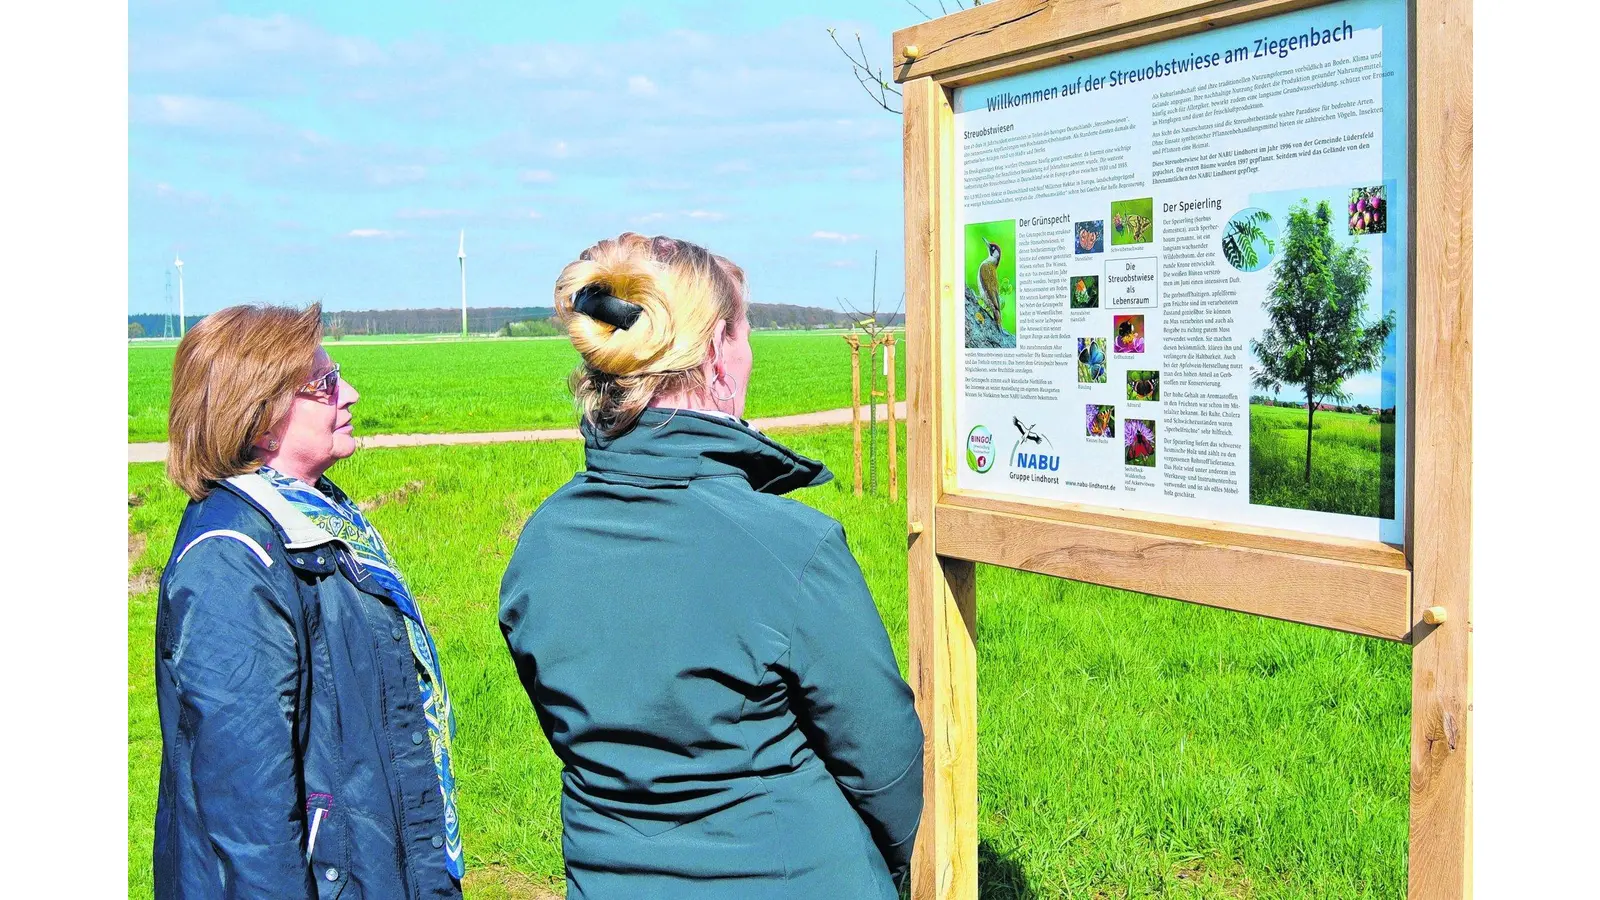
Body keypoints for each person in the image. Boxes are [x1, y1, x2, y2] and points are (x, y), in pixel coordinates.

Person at [499, 233, 925, 899]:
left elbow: (577, 730)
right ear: (717, 354)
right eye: (746, 331)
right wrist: (884, 867)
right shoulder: (789, 548)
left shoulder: (542, 542)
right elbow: (885, 756)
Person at [153, 303, 462, 899]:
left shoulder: (316, 517)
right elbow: (249, 808)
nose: (350, 392)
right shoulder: (231, 559)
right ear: (260, 415)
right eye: (323, 385)